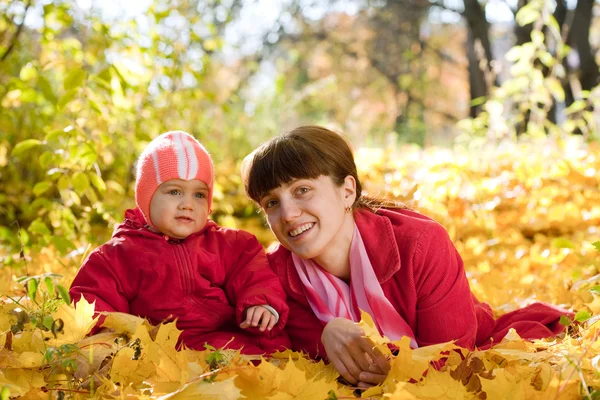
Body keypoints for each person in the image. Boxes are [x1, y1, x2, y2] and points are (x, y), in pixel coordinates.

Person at [241, 125, 572, 387]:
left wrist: (394, 374)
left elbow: (451, 355)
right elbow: (278, 335)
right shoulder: (274, 270)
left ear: (347, 191)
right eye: (272, 202)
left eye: (302, 190)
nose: (287, 214)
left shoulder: (420, 243)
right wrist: (323, 336)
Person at [70, 130, 290, 355]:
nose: (188, 204)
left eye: (199, 195)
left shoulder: (230, 246)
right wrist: (107, 339)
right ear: (146, 198)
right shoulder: (116, 257)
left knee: (268, 348)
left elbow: (255, 275)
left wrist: (260, 303)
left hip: (222, 339)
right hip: (156, 351)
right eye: (175, 191)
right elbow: (93, 301)